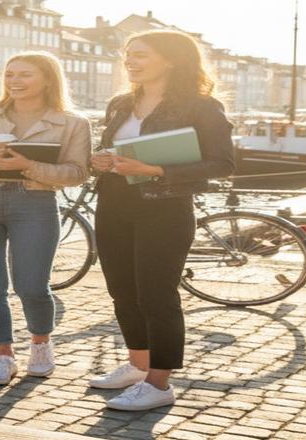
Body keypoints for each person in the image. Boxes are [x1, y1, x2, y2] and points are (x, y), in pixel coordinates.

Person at [89, 30, 234, 411]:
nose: (130, 62)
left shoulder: (200, 106)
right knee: (122, 290)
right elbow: (115, 147)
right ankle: (138, 366)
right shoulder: (121, 103)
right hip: (114, 202)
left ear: (170, 59)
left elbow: (222, 163)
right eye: (127, 55)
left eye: (140, 55)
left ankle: (159, 383)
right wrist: (101, 160)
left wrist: (154, 168)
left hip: (165, 207)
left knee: (157, 295)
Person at [0, 53, 91, 386]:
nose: (14, 81)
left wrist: (28, 166)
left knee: (32, 286)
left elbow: (78, 173)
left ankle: (40, 344)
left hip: (35, 202)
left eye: (25, 75)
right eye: (10, 74)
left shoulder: (72, 122)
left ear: (47, 79)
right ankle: (3, 356)